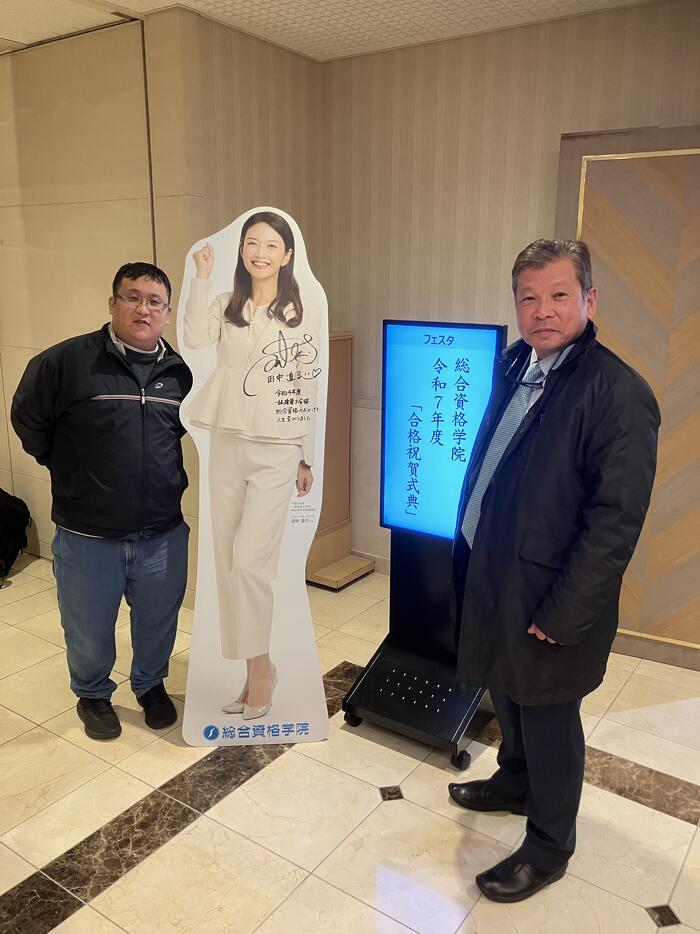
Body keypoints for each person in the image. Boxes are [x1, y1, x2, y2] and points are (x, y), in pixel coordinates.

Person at [448, 239, 659, 903]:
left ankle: (548, 845)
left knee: (547, 713)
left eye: (559, 295)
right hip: (498, 571)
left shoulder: (618, 393)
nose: (543, 310)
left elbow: (615, 523)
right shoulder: (517, 362)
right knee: (508, 690)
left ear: (589, 300)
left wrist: (565, 612)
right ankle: (515, 780)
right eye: (529, 297)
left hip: (552, 593)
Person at [11, 262, 192, 741]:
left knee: (158, 620)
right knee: (88, 626)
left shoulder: (182, 372)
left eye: (155, 302)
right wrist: (67, 468)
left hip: (162, 531)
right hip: (87, 532)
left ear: (167, 313)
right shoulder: (66, 362)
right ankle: (92, 694)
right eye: (132, 297)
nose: (143, 309)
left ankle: (150, 684)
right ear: (112, 303)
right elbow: (28, 419)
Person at [182, 210, 322, 720]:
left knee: (250, 564)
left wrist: (305, 455)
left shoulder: (303, 311)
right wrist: (201, 276)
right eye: (251, 244)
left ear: (287, 255)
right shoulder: (227, 303)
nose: (259, 253)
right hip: (227, 439)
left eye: (270, 245)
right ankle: (252, 672)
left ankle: (262, 672)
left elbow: (307, 383)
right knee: (226, 562)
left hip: (277, 445)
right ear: (241, 251)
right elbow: (195, 337)